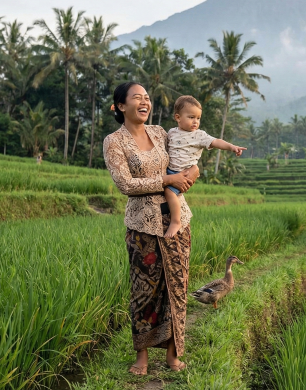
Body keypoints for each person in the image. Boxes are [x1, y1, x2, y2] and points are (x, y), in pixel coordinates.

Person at [103, 82, 198, 374]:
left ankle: (173, 355)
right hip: (142, 227)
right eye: (137, 97)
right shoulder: (114, 141)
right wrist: (167, 181)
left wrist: (192, 172)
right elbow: (125, 184)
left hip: (177, 222)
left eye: (147, 97)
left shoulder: (160, 133)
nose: (145, 102)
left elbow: (188, 153)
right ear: (121, 106)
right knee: (144, 291)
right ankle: (141, 356)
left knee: (177, 287)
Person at [164, 95, 246, 238]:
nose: (195, 121)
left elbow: (216, 142)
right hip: (169, 171)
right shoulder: (171, 132)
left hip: (183, 174)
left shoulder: (199, 135)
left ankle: (176, 221)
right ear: (178, 117)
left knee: (170, 192)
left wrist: (232, 147)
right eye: (191, 117)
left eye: (198, 118)